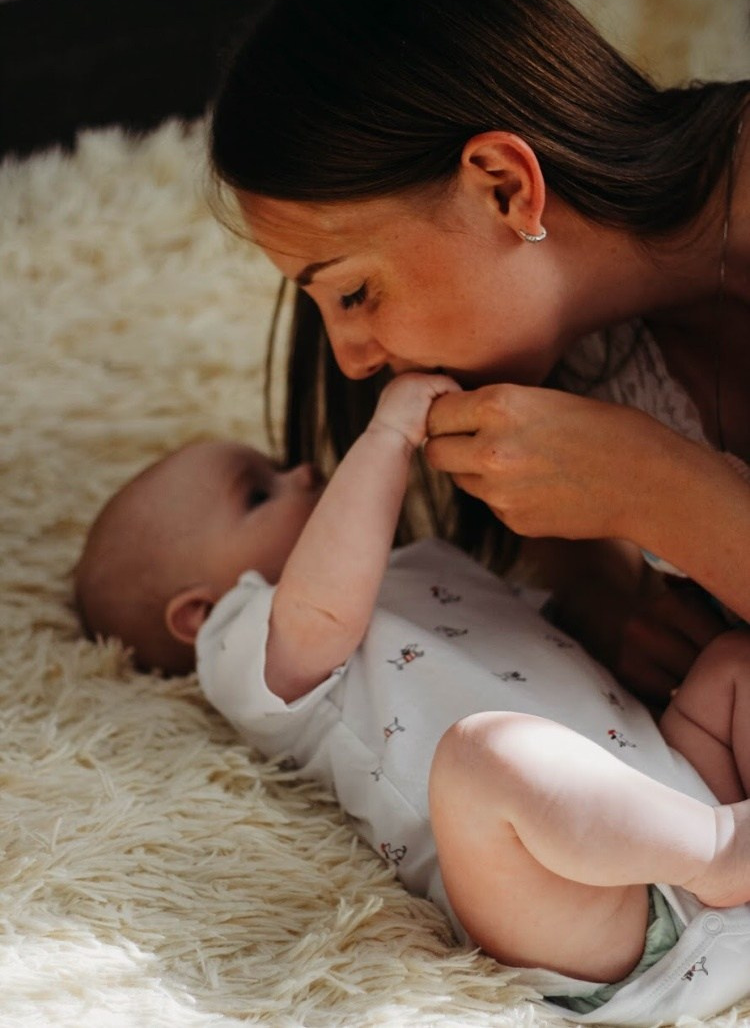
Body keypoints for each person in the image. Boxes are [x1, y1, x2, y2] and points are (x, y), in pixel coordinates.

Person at [75, 372, 750, 1024]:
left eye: (280, 466)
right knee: (483, 755)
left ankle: (717, 840)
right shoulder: (243, 637)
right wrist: (387, 436)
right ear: (196, 613)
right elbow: (323, 612)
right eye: (258, 493)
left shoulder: (422, 564)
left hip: (669, 786)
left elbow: (547, 640)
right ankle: (723, 849)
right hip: (581, 909)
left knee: (730, 665)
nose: (304, 474)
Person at [209, 0, 750, 712]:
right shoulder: (555, 343)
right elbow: (577, 580)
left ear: (503, 186)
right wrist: (641, 624)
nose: (352, 360)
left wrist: (659, 491)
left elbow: (651, 496)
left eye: (355, 292)